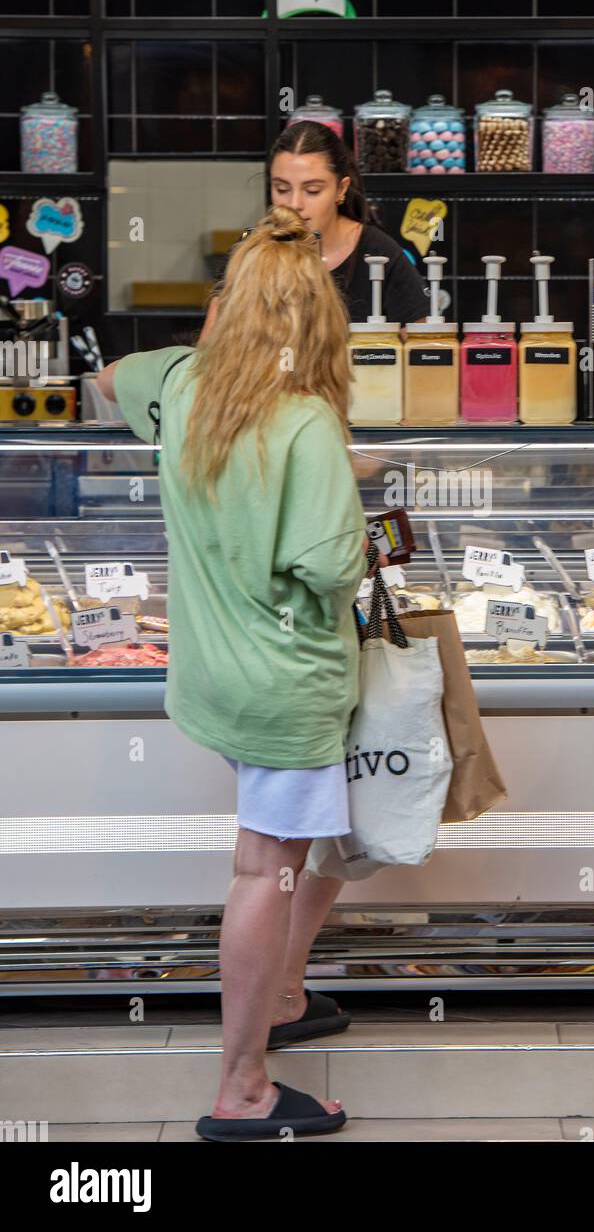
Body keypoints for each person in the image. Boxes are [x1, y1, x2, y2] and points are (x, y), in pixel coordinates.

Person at [96, 204, 378, 1139]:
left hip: (210, 678)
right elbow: (332, 568)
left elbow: (112, 375)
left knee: (280, 862)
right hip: (283, 682)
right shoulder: (305, 426)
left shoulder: (180, 389)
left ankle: (285, 999)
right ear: (316, 320)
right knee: (267, 871)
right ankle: (244, 1087)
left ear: (232, 309)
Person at [201, 119, 429, 340]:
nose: (294, 204)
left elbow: (423, 349)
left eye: (312, 191)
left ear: (341, 189)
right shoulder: (249, 251)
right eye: (281, 188)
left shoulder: (380, 252)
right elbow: (209, 355)